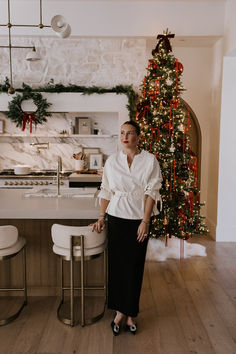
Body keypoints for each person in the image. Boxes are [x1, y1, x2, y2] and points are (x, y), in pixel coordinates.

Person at [91, 120, 162, 336]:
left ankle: (131, 313)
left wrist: (145, 220)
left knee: (135, 267)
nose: (125, 136)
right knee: (117, 266)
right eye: (122, 132)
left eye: (130, 133)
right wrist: (102, 217)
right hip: (116, 217)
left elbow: (152, 191)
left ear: (138, 136)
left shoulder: (150, 160)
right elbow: (106, 190)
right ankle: (119, 313)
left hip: (138, 219)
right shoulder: (112, 161)